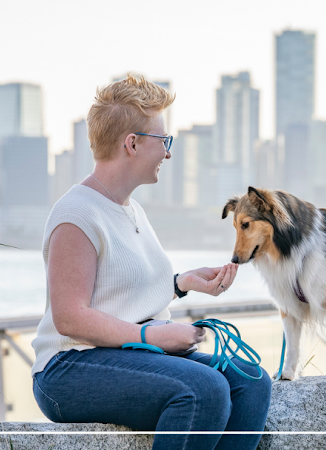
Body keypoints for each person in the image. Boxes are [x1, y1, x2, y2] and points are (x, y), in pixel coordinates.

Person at [30, 74, 271, 450]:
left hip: (121, 354)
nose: (168, 152)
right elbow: (70, 317)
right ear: (132, 143)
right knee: (203, 390)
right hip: (68, 369)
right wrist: (152, 336)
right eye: (164, 141)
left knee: (251, 381)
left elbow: (121, 293)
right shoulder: (76, 215)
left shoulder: (132, 209)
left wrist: (182, 283)